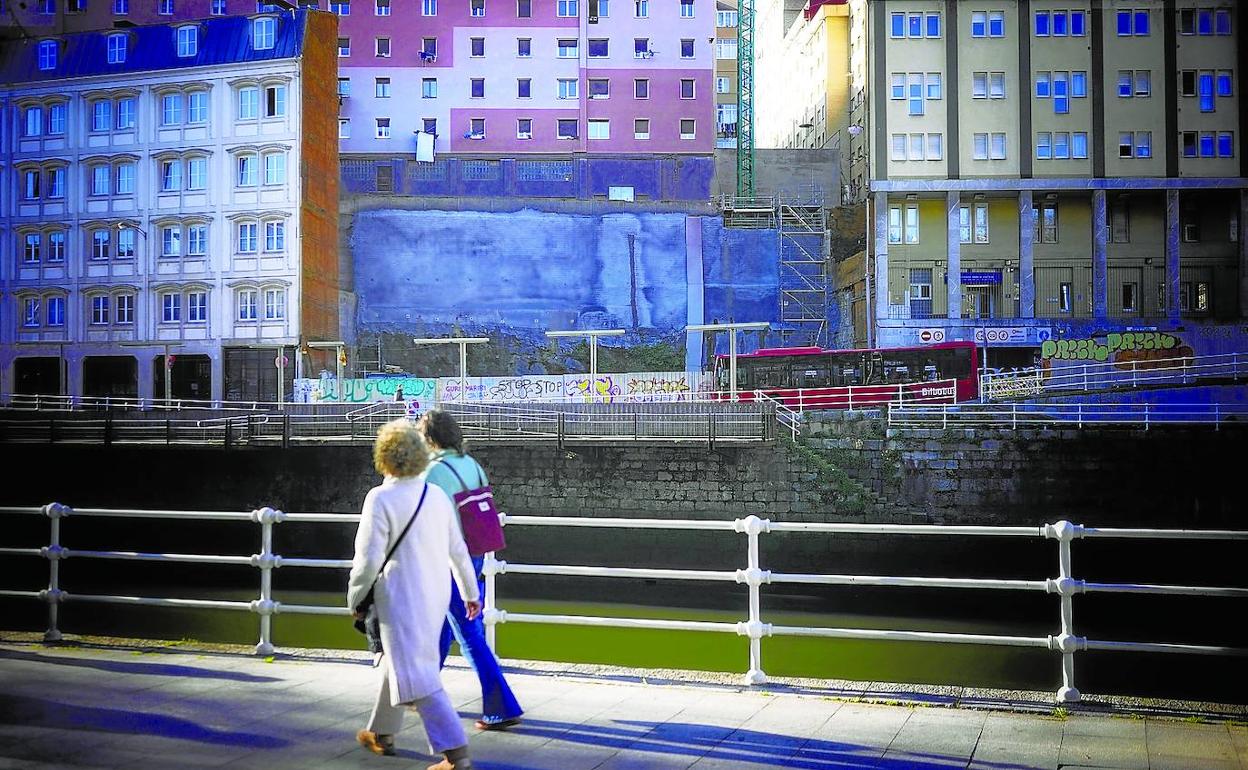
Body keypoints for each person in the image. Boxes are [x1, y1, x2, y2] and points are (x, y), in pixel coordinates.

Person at [348, 418, 480, 770]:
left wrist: (355, 599)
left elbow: (367, 561)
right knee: (398, 661)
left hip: (399, 598)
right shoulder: (435, 496)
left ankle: (456, 755)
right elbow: (458, 550)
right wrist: (470, 592)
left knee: (419, 676)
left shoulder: (380, 498)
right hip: (435, 594)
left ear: (383, 457)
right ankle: (381, 733)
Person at [418, 409, 524, 731]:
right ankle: (421, 690)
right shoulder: (472, 464)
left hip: (448, 559)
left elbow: (431, 524)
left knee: (468, 634)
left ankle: (502, 707)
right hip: (475, 553)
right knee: (443, 625)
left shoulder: (433, 472)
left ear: (429, 439)